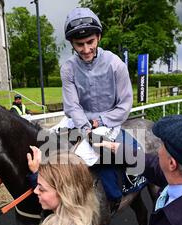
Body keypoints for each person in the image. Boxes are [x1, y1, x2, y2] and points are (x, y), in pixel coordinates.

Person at [59, 7, 136, 210]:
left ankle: (117, 192)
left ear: (99, 37)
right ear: (72, 44)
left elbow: (125, 105)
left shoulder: (116, 65)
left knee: (96, 153)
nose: (85, 49)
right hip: (79, 120)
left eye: (90, 42)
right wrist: (87, 130)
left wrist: (99, 122)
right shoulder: (67, 68)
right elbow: (72, 106)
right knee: (48, 145)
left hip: (109, 120)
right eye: (79, 44)